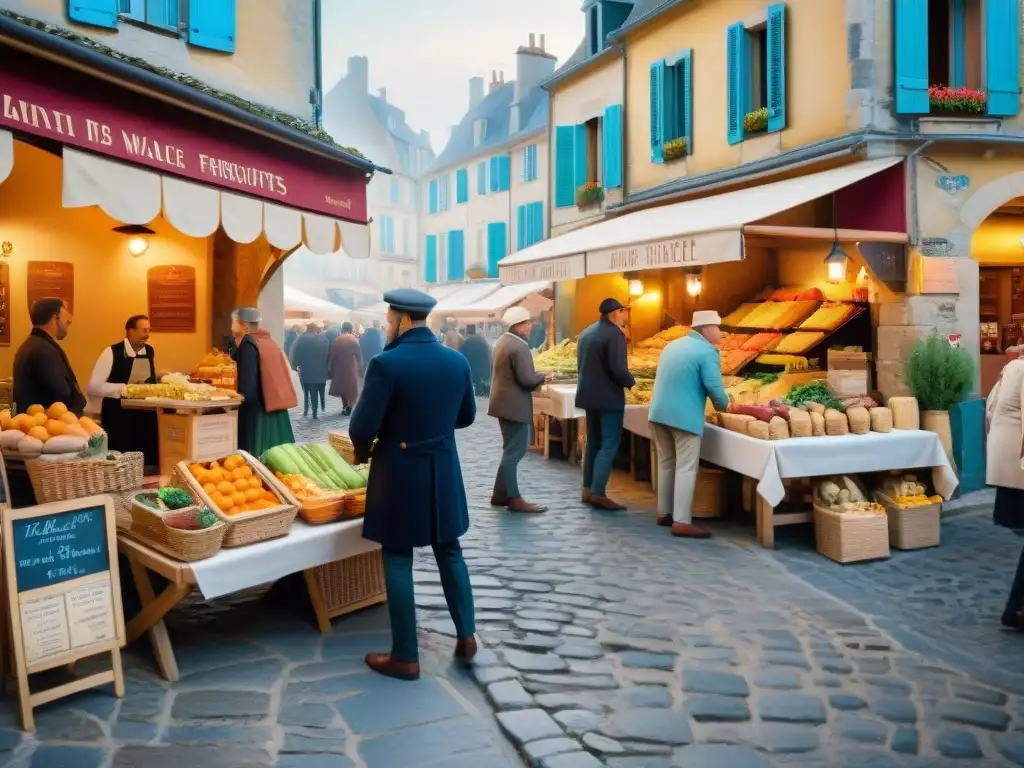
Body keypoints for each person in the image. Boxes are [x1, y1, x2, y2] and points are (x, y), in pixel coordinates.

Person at [349, 288, 477, 681]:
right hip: (441, 467)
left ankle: (406, 655)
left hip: (400, 471)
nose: (387, 325)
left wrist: (364, 450)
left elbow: (361, 428)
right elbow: (467, 417)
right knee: (449, 550)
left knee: (398, 555)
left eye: (389, 319)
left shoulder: (386, 364)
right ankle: (467, 635)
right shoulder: (456, 361)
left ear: (403, 319)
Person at [647, 311, 731, 538]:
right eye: (717, 327)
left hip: (658, 413)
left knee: (665, 463)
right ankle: (682, 521)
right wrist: (726, 404)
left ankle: (664, 512)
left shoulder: (672, 346)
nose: (720, 332)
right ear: (705, 329)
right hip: (683, 417)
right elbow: (714, 387)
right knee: (685, 466)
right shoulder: (707, 352)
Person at [576, 297, 635, 510]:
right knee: (609, 443)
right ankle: (598, 492)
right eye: (623, 312)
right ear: (615, 313)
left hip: (588, 395)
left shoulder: (586, 333)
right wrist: (631, 383)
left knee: (593, 442)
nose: (625, 315)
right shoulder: (614, 335)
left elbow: (581, 365)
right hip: (608, 397)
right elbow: (618, 368)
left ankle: (587, 488)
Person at [488, 306, 547, 513]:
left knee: (509, 450)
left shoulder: (502, 342)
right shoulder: (518, 347)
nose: (529, 327)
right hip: (514, 405)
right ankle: (513, 498)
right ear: (516, 326)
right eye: (525, 323)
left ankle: (499, 494)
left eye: (529, 323)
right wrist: (544, 375)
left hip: (502, 403)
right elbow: (527, 380)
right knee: (515, 451)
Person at [86, 315, 160, 467]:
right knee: (121, 463)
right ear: (131, 331)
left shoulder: (149, 351)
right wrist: (123, 389)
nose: (147, 334)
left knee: (147, 460)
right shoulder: (112, 352)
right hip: (119, 418)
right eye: (144, 330)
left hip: (145, 417)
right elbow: (93, 386)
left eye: (149, 330)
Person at [985, 350, 1024, 631]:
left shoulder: (1013, 368)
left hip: (1009, 467)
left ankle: (1016, 608)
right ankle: (1016, 609)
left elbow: (990, 409)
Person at [232, 308, 297, 455]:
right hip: (276, 408)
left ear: (242, 324)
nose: (232, 326)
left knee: (259, 459)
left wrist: (237, 399)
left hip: (259, 413)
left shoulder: (248, 343)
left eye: (234, 321)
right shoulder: (269, 341)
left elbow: (247, 384)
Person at [13, 297, 87, 416]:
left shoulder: (34, 344)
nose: (69, 320)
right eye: (65, 313)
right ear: (54, 317)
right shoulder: (42, 351)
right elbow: (62, 395)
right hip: (45, 427)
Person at [290, 323, 330, 419]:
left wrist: (295, 365)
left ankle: (307, 409)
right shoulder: (324, 339)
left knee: (307, 390)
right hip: (321, 371)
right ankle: (316, 411)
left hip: (306, 370)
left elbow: (296, 353)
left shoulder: (301, 339)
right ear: (316, 329)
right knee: (316, 390)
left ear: (307, 329)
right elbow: (329, 354)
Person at [328, 322, 363, 416]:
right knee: (351, 387)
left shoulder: (337, 340)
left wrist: (331, 368)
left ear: (342, 329)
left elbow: (332, 357)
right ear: (351, 329)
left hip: (339, 367)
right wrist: (360, 367)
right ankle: (350, 405)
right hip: (352, 366)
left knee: (342, 387)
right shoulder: (354, 340)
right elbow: (359, 355)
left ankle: (345, 405)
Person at [460, 326, 492, 396]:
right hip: (483, 368)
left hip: (471, 367)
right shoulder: (482, 340)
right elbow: (489, 354)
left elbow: (462, 355)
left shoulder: (466, 341)